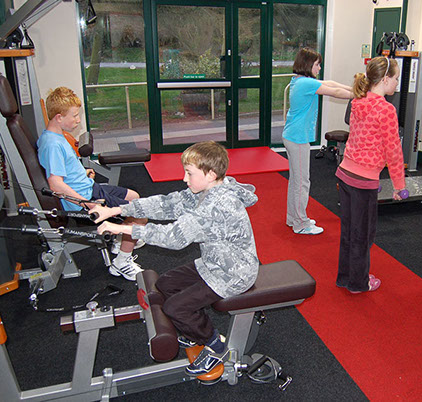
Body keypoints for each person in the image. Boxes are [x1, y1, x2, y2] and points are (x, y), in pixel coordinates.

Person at [90, 141, 259, 376]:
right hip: (214, 263)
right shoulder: (207, 189)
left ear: (211, 174)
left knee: (174, 308)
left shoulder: (216, 205)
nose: (184, 178)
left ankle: (217, 346)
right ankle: (195, 330)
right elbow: (166, 204)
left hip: (233, 274)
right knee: (165, 284)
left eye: (189, 173)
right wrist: (116, 210)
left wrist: (122, 229)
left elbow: (173, 238)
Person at [37, 87, 146, 281]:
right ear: (59, 117)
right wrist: (88, 204)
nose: (78, 120)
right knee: (140, 215)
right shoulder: (53, 144)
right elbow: (55, 184)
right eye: (74, 116)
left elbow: (64, 171)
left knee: (134, 197)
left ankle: (119, 240)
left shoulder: (56, 136)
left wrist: (82, 173)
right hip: (85, 198)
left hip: (89, 187)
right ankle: (121, 263)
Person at [335, 56, 405, 293]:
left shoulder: (358, 101)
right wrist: (399, 185)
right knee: (363, 234)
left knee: (349, 230)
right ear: (385, 79)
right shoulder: (386, 110)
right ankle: (359, 282)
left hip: (345, 173)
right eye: (396, 79)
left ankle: (345, 277)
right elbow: (393, 150)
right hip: (363, 181)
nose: (397, 83)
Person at [282, 47, 353, 235]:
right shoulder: (306, 83)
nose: (319, 68)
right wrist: (358, 94)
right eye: (317, 64)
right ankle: (300, 223)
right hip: (297, 138)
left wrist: (353, 89)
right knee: (302, 182)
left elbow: (330, 83)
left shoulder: (299, 80)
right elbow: (334, 92)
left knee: (296, 181)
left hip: (292, 136)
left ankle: (293, 217)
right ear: (307, 65)